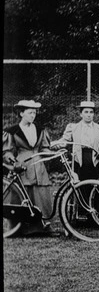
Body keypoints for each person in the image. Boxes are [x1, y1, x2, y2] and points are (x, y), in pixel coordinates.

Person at [3, 100, 54, 235]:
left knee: (41, 194)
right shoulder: (12, 131)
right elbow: (7, 151)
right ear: (21, 113)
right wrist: (13, 161)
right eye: (30, 112)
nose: (33, 115)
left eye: (35, 112)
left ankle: (40, 226)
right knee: (21, 194)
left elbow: (44, 147)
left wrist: (51, 154)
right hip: (22, 164)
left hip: (38, 166)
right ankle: (18, 228)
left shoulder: (40, 129)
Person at [52, 101, 99, 181]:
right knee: (80, 186)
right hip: (79, 160)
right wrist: (52, 144)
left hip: (95, 160)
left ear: (94, 114)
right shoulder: (73, 127)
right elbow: (64, 141)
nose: (89, 115)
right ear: (81, 114)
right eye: (86, 112)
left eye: (91, 112)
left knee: (97, 187)